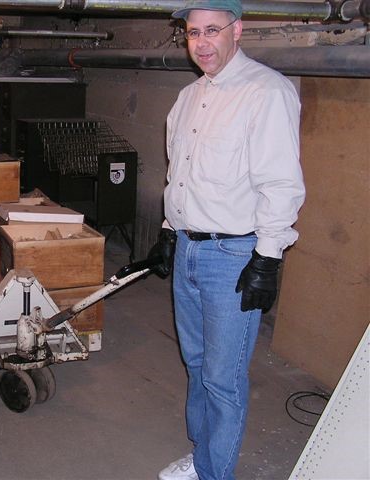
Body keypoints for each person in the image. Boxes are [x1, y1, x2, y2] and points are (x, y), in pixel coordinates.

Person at [150, 0, 306, 479]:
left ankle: (214, 472)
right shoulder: (189, 97)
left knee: (222, 377)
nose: (201, 42)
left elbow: (281, 184)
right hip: (191, 250)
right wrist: (170, 232)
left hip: (233, 256)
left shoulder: (265, 92)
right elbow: (181, 176)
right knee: (195, 362)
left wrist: (267, 258)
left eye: (212, 30)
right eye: (192, 33)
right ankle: (202, 456)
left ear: (238, 31)